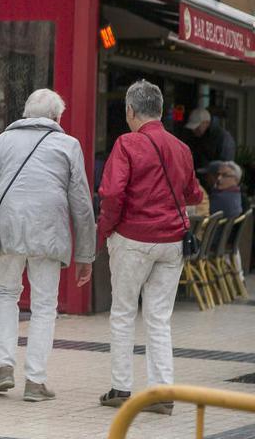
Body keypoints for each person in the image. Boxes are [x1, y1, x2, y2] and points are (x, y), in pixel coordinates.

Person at [0, 89, 95, 403]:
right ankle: (35, 382)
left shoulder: (2, 142)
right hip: (49, 234)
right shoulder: (68, 145)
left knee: (6, 294)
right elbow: (81, 205)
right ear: (56, 118)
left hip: (7, 231)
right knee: (43, 306)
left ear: (26, 114)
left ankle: (3, 367)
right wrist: (85, 254)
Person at [97, 80, 202, 416]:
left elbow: (112, 194)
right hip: (172, 243)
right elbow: (194, 194)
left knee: (124, 313)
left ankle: (121, 388)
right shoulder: (181, 148)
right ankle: (161, 393)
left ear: (130, 111)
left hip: (133, 240)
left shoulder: (127, 144)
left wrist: (105, 231)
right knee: (159, 318)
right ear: (159, 111)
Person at [182, 107, 235, 171]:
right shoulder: (198, 137)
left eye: (197, 127)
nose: (194, 130)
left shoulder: (223, 137)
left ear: (206, 123)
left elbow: (225, 163)